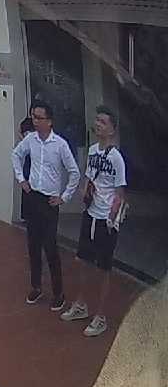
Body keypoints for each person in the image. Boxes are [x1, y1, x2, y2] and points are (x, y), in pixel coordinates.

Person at [59, 106, 127, 337]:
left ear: (112, 129)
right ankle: (81, 304)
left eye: (103, 122)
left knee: (103, 268)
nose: (98, 124)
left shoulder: (116, 158)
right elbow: (89, 177)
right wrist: (85, 192)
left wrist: (111, 218)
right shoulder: (92, 151)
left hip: (106, 219)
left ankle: (101, 316)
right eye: (97, 120)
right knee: (82, 260)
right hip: (90, 214)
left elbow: (120, 193)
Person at [12, 102, 81, 311]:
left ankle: (58, 292)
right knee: (33, 245)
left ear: (49, 121)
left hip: (50, 201)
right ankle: (36, 286)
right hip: (33, 197)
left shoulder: (59, 144)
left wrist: (64, 197)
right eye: (33, 117)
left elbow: (74, 172)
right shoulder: (30, 140)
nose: (35, 121)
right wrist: (21, 179)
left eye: (39, 118)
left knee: (50, 247)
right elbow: (16, 155)